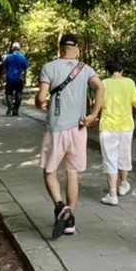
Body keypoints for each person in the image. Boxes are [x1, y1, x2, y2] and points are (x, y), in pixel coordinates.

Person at [36, 33, 104, 239]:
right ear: (77, 49)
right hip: (79, 128)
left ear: (60, 49)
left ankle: (60, 206)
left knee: (49, 171)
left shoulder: (49, 67)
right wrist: (93, 115)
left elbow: (41, 97)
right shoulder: (85, 69)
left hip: (56, 128)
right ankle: (70, 218)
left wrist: (40, 103)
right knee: (73, 173)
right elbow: (100, 86)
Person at [96, 59, 136, 206]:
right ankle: (123, 184)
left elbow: (98, 103)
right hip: (126, 126)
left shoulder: (103, 83)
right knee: (124, 155)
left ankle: (112, 193)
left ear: (109, 71)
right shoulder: (129, 82)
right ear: (122, 70)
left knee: (110, 159)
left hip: (108, 127)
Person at [3, 42, 29, 116]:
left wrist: (4, 77)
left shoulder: (8, 57)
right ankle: (16, 109)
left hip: (10, 78)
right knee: (19, 94)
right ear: (19, 48)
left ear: (12, 48)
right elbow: (25, 69)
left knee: (8, 93)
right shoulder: (23, 57)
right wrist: (24, 78)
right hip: (19, 79)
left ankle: (10, 106)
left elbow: (5, 68)